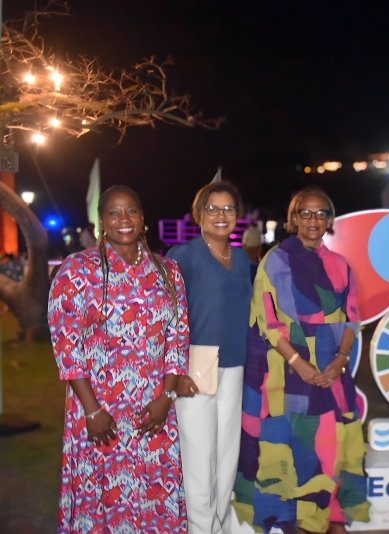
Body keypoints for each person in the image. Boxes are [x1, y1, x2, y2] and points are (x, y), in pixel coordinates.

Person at [47, 185, 193, 533]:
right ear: (101, 222)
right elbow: (67, 346)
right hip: (101, 410)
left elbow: (177, 338)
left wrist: (167, 397)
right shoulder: (77, 270)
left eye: (131, 211)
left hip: (153, 410)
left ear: (143, 219)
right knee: (104, 497)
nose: (123, 219)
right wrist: (92, 410)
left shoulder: (168, 271)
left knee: (152, 493)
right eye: (114, 212)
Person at [232, 186, 370, 534]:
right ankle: (301, 522)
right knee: (294, 451)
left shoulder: (340, 266)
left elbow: (351, 318)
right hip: (287, 376)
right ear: (293, 219)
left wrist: (340, 360)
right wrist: (299, 363)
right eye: (305, 213)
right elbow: (269, 322)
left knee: (329, 448)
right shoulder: (275, 261)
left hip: (331, 374)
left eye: (321, 213)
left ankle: (325, 517)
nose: (313, 220)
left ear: (330, 220)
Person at [167, 181, 253, 534]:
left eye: (228, 208)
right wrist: (175, 370)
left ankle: (220, 522)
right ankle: (200, 528)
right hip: (196, 365)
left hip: (235, 363)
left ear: (238, 215)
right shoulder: (181, 256)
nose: (221, 215)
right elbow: (167, 317)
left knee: (226, 454)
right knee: (199, 457)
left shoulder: (244, 257)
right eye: (213, 209)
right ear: (198, 214)